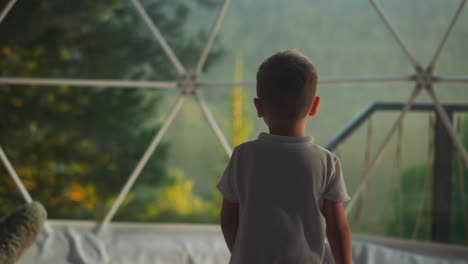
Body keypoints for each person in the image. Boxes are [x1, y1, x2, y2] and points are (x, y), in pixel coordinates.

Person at [217, 49, 352, 264]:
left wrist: (242, 254)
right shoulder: (327, 163)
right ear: (315, 106)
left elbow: (228, 219)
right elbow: (337, 228)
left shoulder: (243, 156)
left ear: (258, 107)